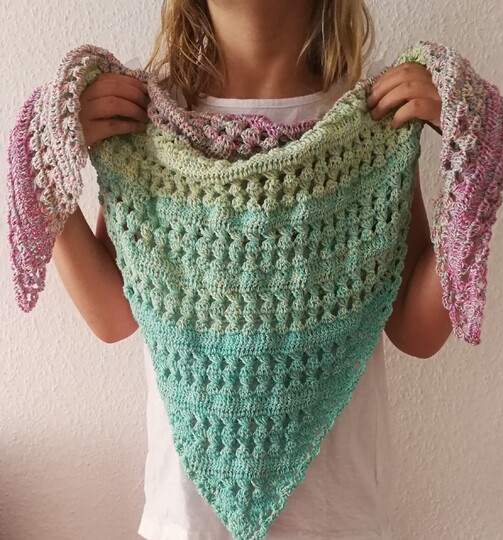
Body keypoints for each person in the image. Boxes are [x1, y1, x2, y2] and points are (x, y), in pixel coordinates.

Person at [52, 1, 453, 538]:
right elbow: (113, 316)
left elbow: (417, 331)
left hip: (338, 519)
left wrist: (470, 159)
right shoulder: (139, 118)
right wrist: (45, 164)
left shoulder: (378, 116)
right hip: (186, 520)